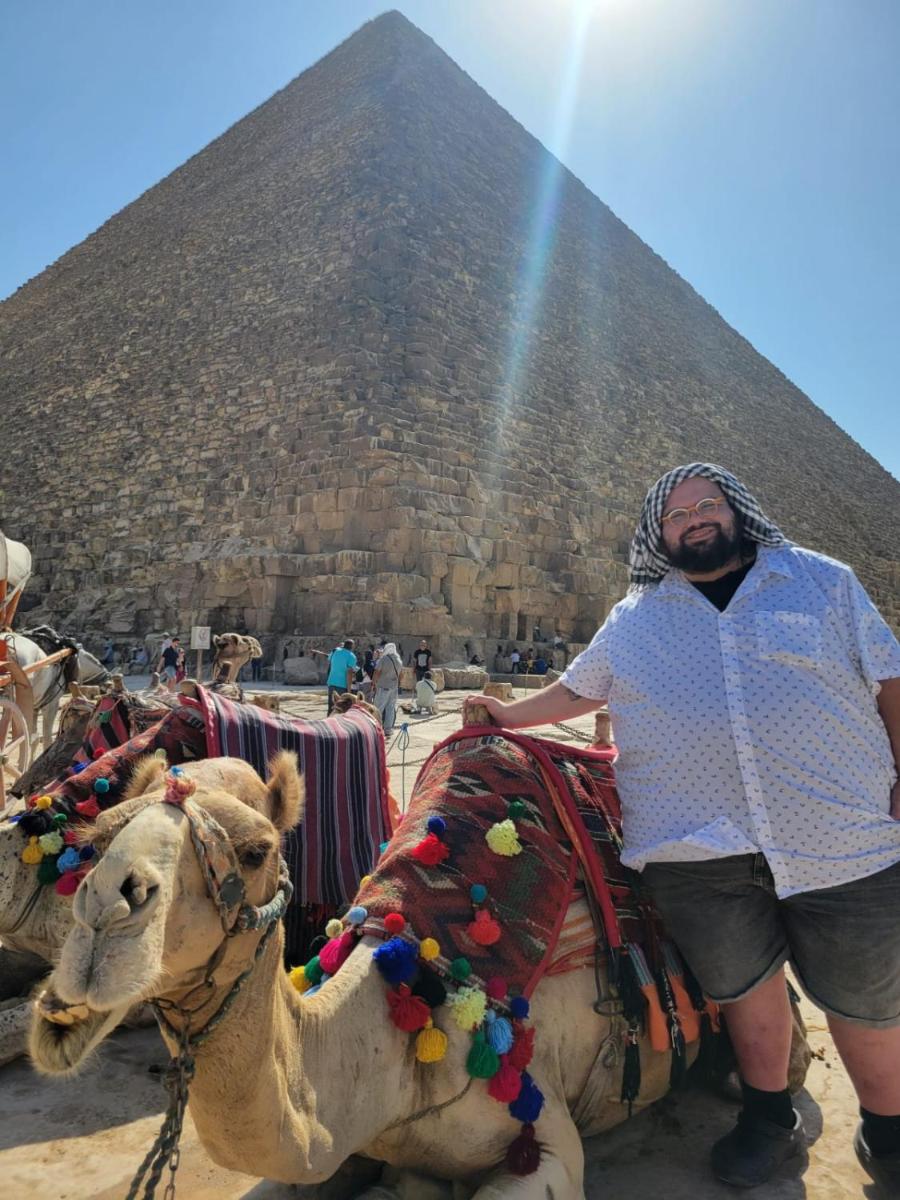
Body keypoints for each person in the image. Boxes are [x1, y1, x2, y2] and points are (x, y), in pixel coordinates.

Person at [467, 462, 900, 1193]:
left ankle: (887, 1129)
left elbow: (889, 677)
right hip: (696, 846)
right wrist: (507, 716)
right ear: (658, 534)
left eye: (708, 504)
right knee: (744, 989)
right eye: (677, 514)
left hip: (840, 837)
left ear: (738, 510)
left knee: (869, 1000)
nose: (695, 518)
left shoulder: (821, 581)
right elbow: (578, 689)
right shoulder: (636, 616)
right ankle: (768, 1118)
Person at [373, 641, 403, 734]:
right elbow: (401, 675)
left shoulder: (384, 659)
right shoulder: (399, 660)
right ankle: (388, 729)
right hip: (394, 688)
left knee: (378, 708)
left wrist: (373, 683)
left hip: (383, 687)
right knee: (390, 709)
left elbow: (377, 672)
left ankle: (375, 729)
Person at [323, 639, 357, 715]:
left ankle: (329, 720)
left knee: (331, 706)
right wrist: (349, 690)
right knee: (342, 708)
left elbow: (330, 660)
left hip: (331, 682)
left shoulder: (335, 651)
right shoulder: (351, 656)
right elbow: (349, 673)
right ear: (352, 646)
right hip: (342, 685)